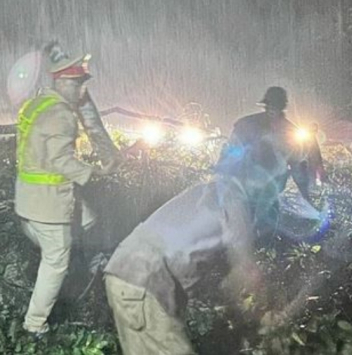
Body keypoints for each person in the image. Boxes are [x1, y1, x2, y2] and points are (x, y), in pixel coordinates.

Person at [103, 133, 289, 355]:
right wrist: (263, 318)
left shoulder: (210, 189)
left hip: (130, 272)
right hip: (146, 279)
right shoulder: (235, 203)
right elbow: (246, 272)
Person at [14, 51, 117, 336]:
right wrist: (96, 173)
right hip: (48, 204)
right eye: (80, 85)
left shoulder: (37, 104)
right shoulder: (62, 115)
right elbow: (61, 161)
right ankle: (35, 325)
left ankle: (96, 260)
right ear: (66, 84)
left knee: (88, 220)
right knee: (56, 261)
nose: (84, 92)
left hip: (27, 199)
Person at [217, 86, 324, 207]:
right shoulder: (246, 125)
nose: (272, 109)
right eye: (269, 105)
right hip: (244, 184)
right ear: (265, 106)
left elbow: (297, 167)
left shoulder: (289, 133)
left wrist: (307, 198)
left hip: (270, 190)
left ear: (282, 107)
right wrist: (224, 174)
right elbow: (230, 150)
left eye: (276, 106)